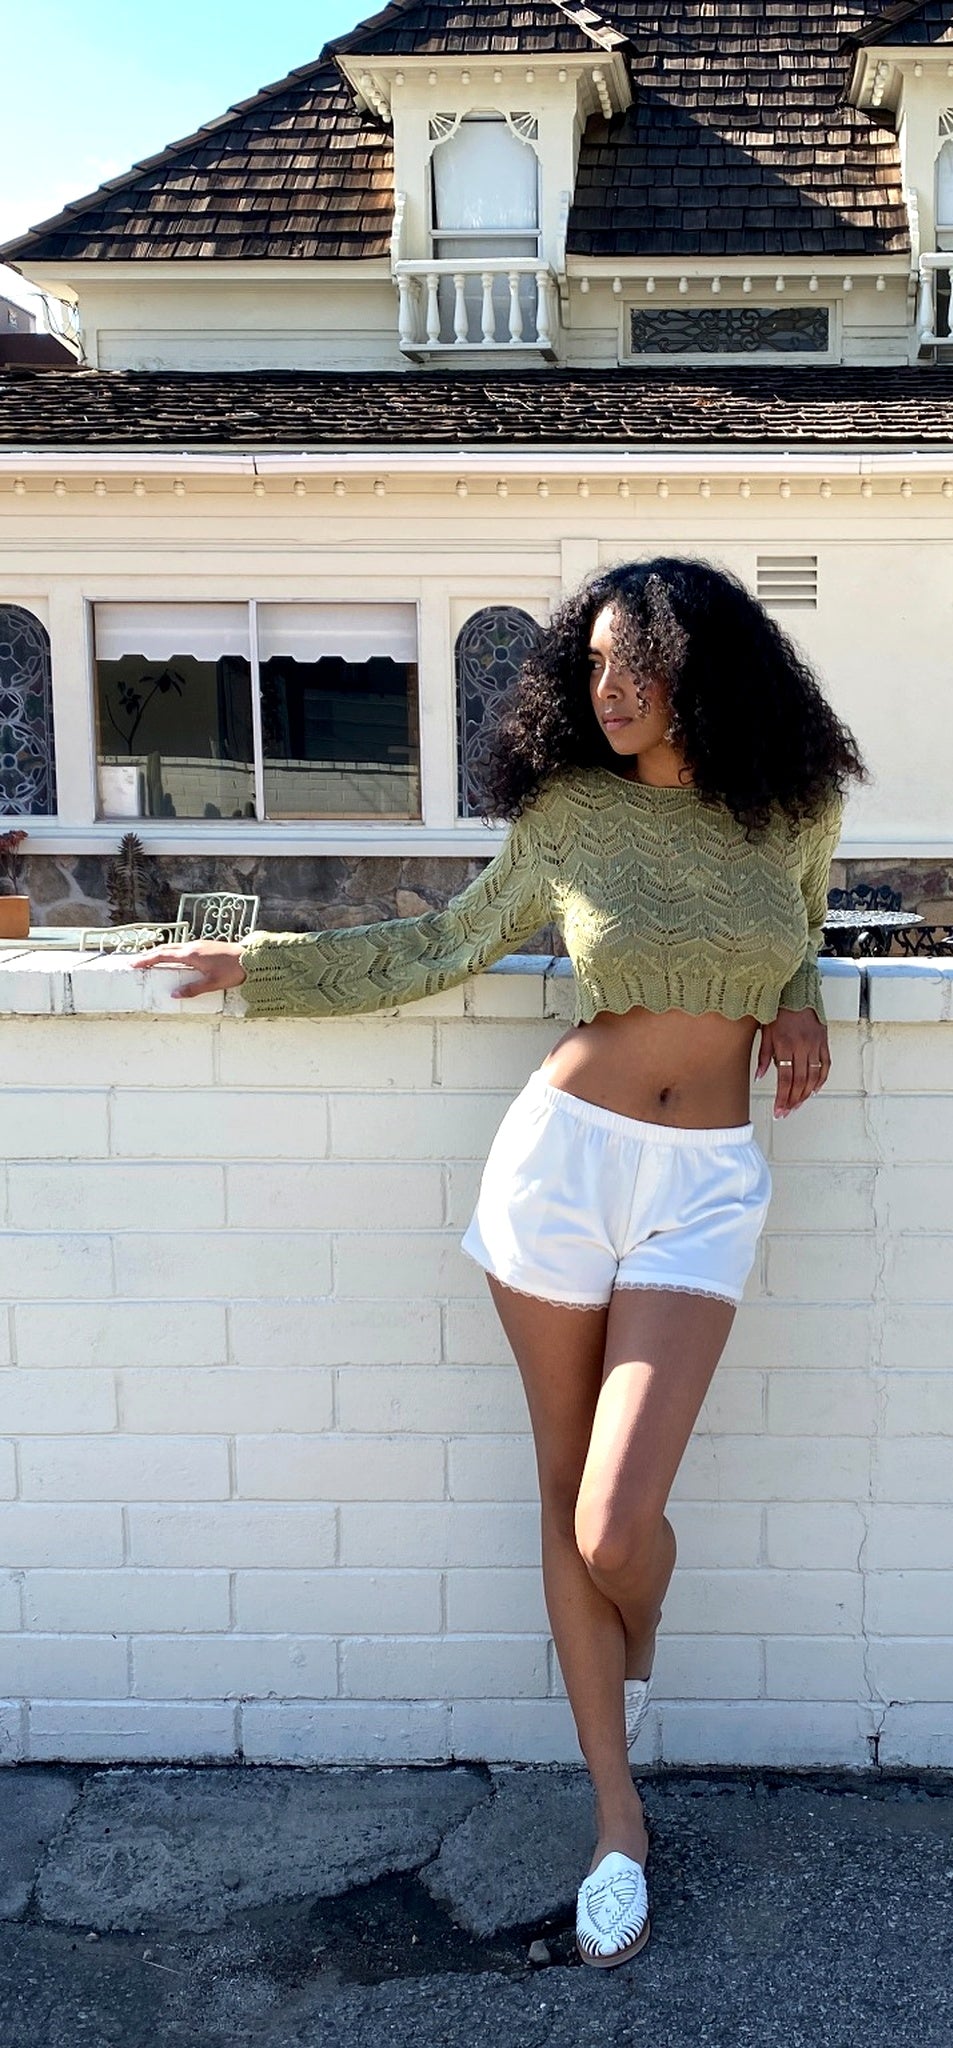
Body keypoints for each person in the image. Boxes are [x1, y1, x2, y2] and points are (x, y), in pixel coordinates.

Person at [132, 555, 868, 1968]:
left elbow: (796, 927)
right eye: (588, 666)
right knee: (561, 1498)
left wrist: (799, 1007)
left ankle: (628, 1649)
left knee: (615, 1526)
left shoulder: (791, 803)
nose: (606, 691)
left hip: (705, 1185)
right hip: (560, 1166)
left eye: (630, 664)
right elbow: (447, 943)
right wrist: (260, 968)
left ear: (698, 667)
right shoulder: (568, 813)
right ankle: (616, 1822)